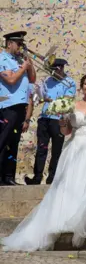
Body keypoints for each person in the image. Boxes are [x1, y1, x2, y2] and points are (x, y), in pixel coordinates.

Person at [2, 72, 86, 251]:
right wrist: (62, 121)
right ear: (81, 86)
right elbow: (66, 132)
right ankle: (64, 218)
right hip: (75, 148)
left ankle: (80, 219)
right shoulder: (73, 105)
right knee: (69, 184)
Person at [27, 58, 75, 186]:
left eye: (55, 70)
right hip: (44, 117)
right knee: (41, 148)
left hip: (58, 119)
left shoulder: (69, 83)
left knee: (56, 149)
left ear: (60, 68)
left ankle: (52, 177)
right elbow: (41, 97)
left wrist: (51, 101)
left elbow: (67, 102)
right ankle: (37, 177)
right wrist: (40, 95)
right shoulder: (48, 81)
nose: (52, 73)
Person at [0, 31, 36, 186]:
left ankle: (9, 176)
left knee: (13, 142)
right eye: (19, 44)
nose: (21, 47)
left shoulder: (19, 60)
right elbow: (11, 79)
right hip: (8, 105)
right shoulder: (3, 58)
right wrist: (23, 68)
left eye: (22, 44)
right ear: (10, 44)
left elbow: (33, 79)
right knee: (2, 141)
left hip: (20, 106)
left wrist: (30, 65)